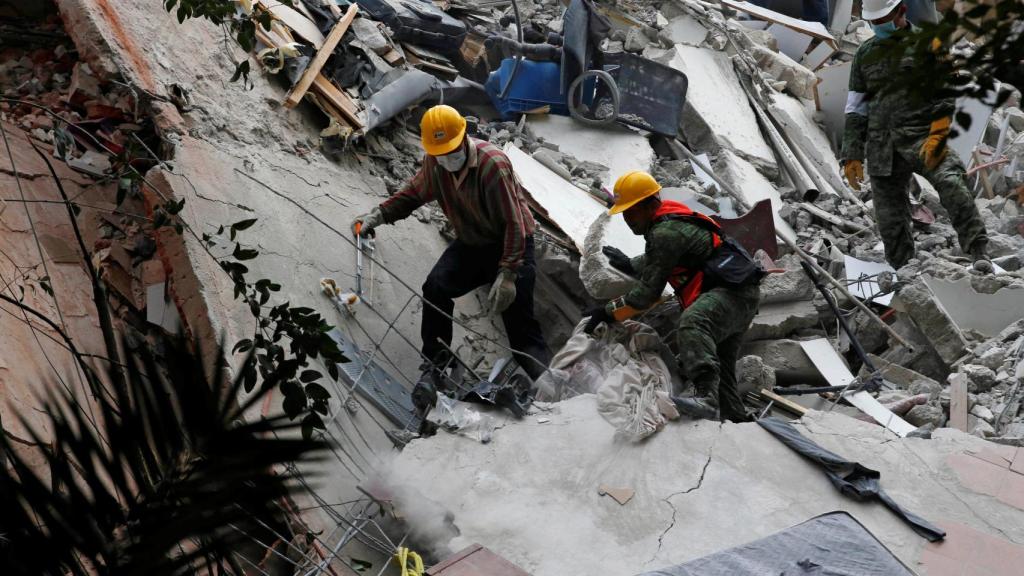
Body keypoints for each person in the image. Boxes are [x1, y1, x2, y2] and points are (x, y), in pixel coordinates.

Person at [352, 105, 550, 415]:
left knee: (521, 329)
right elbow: (415, 193)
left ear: (463, 138)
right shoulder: (435, 163)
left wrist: (509, 273)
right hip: (473, 243)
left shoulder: (491, 165)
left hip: (511, 245)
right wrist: (378, 215)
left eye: (450, 150)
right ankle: (437, 364)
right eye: (439, 152)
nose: (446, 158)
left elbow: (513, 222)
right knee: (436, 287)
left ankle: (552, 388)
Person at [586, 171, 763, 423]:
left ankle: (707, 400)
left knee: (693, 323)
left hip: (731, 294)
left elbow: (646, 295)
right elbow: (666, 257)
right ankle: (736, 418)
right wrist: (630, 264)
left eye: (632, 211)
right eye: (624, 213)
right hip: (741, 294)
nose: (628, 219)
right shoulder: (668, 220)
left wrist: (607, 312)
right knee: (721, 365)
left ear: (649, 205)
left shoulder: (665, 233)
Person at [841, 0, 991, 272]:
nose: (878, 26)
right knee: (890, 221)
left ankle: (979, 252)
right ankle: (905, 272)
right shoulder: (864, 54)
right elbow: (856, 109)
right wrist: (851, 154)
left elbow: (946, 94)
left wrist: (938, 132)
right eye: (874, 22)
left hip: (922, 137)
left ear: (902, 11)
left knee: (953, 184)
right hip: (882, 146)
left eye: (883, 19)